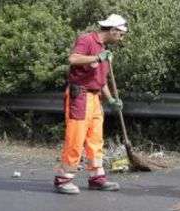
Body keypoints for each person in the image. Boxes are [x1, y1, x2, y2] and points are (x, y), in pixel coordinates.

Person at [53, 14, 128, 194]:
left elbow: (101, 81)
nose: (122, 37)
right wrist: (96, 58)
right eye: (121, 33)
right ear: (113, 30)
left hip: (95, 98)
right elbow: (73, 59)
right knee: (75, 138)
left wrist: (111, 99)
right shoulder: (87, 40)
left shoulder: (105, 50)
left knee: (95, 139)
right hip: (80, 95)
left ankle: (96, 178)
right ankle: (63, 179)